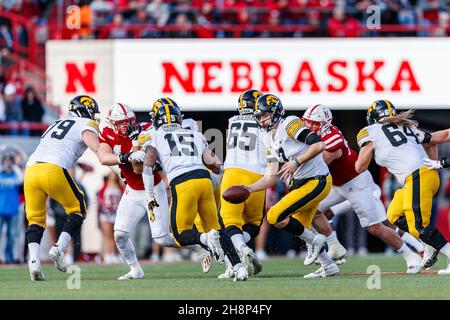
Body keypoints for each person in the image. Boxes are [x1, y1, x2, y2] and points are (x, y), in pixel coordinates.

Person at [24, 95, 135, 281]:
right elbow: (98, 151)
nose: (94, 117)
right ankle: (59, 248)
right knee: (79, 208)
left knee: (35, 219)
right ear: (85, 111)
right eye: (92, 112)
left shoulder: (56, 123)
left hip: (31, 168)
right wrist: (121, 159)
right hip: (53, 168)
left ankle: (33, 261)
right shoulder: (85, 123)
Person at [302, 104, 423, 272]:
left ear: (325, 124)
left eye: (315, 123)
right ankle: (333, 247)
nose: (310, 126)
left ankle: (411, 255)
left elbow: (319, 164)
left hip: (356, 183)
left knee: (375, 226)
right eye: (308, 122)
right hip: (337, 185)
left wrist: (294, 162)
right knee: (309, 208)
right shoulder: (308, 134)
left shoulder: (332, 138)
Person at [139, 100, 248, 281]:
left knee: (180, 234)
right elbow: (214, 163)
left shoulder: (154, 134)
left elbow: (148, 165)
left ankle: (205, 240)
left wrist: (149, 193)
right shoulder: (193, 134)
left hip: (183, 183)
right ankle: (239, 267)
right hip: (203, 180)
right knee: (219, 228)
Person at [241, 93, 338, 279]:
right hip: (302, 183)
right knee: (302, 230)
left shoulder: (289, 123)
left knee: (274, 215)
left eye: (264, 114)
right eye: (259, 116)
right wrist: (249, 188)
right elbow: (270, 176)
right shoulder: (266, 137)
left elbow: (319, 145)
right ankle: (329, 266)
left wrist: (297, 162)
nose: (261, 119)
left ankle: (316, 243)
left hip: (317, 179)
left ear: (276, 112)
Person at [355, 100, 450, 275]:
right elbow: (437, 139)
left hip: (417, 176)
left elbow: (360, 167)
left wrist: (369, 147)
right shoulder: (407, 127)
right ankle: (428, 245)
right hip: (422, 176)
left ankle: (442, 250)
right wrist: (434, 164)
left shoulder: (369, 131)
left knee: (419, 226)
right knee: (393, 214)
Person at [217, 89, 267, 279]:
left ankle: (239, 249)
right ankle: (240, 250)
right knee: (253, 224)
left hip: (232, 173)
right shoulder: (264, 122)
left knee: (229, 223)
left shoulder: (232, 121)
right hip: (257, 175)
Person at [0, 151, 23, 263]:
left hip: (13, 211)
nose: (8, 164)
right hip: (1, 210)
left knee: (12, 236)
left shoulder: (16, 175)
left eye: (10, 161)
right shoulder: (1, 174)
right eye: (6, 161)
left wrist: (16, 167)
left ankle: (9, 258)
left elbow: (22, 180)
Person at [97, 172, 124, 264]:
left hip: (116, 214)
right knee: (107, 235)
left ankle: (114, 254)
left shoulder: (120, 185)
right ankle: (108, 254)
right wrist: (104, 204)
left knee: (115, 235)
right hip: (106, 214)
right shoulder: (105, 185)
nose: (112, 176)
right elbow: (99, 198)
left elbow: (125, 195)